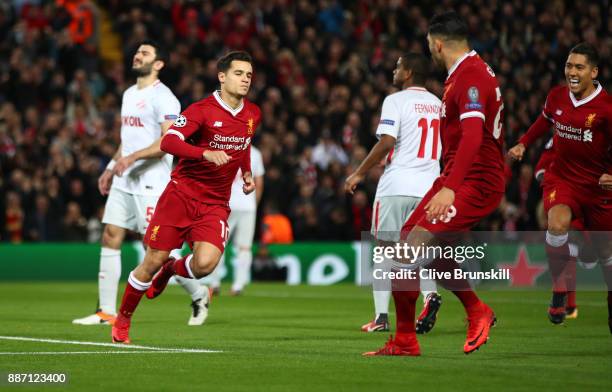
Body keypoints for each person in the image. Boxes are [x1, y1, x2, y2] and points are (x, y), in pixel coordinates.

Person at [364, 11, 505, 356]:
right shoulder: (462, 76)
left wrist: (450, 187)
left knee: (409, 250)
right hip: (455, 176)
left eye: (429, 45)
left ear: (438, 43)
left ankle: (414, 336)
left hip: (474, 181)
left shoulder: (470, 77)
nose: (429, 51)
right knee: (411, 251)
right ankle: (418, 334)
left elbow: (472, 137)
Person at [111, 51, 260, 343]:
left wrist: (246, 173)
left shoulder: (253, 113)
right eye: (239, 73)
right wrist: (203, 152)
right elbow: (169, 141)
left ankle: (171, 270)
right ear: (222, 76)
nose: (245, 80)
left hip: (215, 203)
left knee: (205, 265)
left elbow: (243, 145)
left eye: (249, 75)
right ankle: (123, 319)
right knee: (152, 259)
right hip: (180, 195)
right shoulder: (201, 110)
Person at [72, 40, 210, 327]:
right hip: (126, 180)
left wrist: (131, 158)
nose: (138, 55)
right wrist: (111, 167)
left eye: (145, 53)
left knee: (159, 253)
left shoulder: (165, 99)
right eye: (137, 52)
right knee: (110, 235)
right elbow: (128, 139)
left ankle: (199, 293)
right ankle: (106, 312)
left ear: (158, 64)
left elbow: (168, 142)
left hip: (152, 184)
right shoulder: (129, 94)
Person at [508, 43, 612, 330]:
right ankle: (559, 289)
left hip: (597, 188)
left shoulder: (607, 108)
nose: (572, 72)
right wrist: (523, 143)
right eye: (569, 66)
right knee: (556, 225)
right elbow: (544, 121)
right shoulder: (556, 95)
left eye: (579, 67)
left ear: (594, 72)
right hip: (562, 179)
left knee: (606, 256)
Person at [345, 53, 442, 334]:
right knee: (418, 252)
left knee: (384, 253)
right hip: (429, 189)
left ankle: (381, 317)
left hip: (396, 187)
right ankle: (431, 296)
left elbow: (388, 141)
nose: (394, 70)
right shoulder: (438, 104)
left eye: (398, 66)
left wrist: (359, 173)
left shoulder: (395, 100)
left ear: (409, 72)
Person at [209, 145, 265, 296]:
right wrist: (253, 204)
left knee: (219, 244)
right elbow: (259, 183)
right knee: (244, 247)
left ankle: (214, 284)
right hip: (248, 207)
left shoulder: (228, 147)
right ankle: (238, 285)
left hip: (227, 204)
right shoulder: (256, 153)